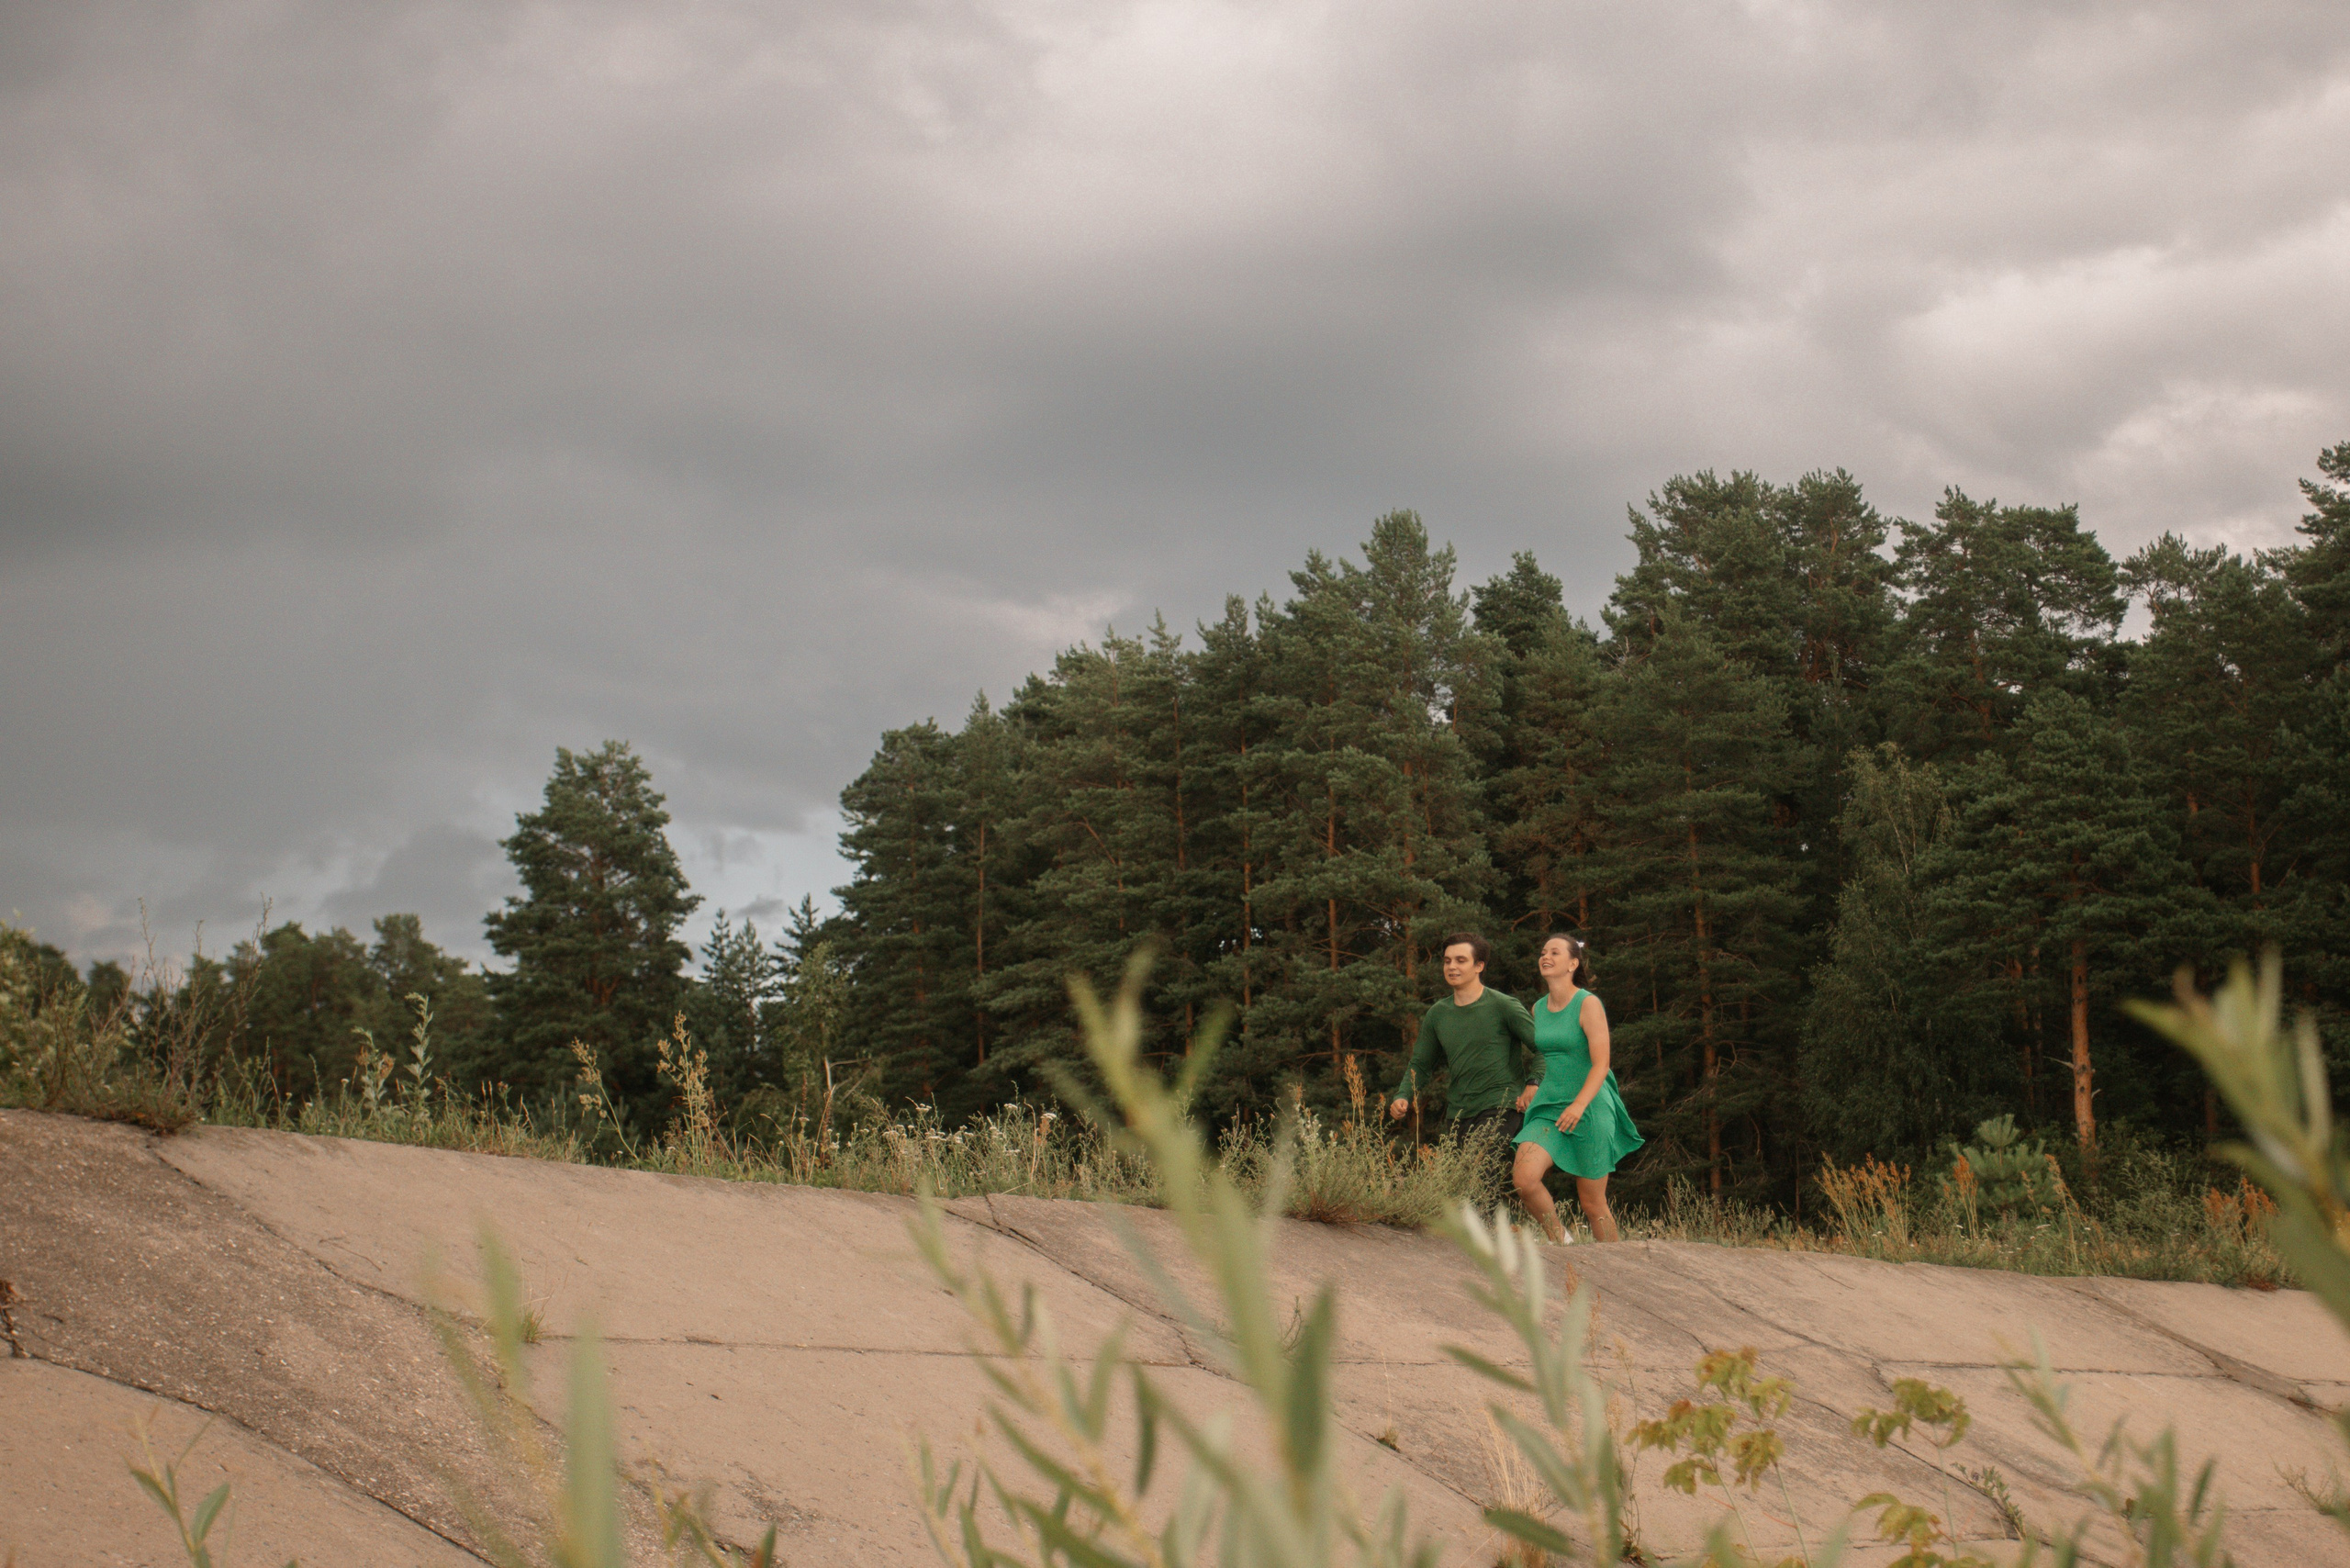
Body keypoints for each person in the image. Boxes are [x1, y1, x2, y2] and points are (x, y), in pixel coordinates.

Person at [1512, 933, 1643, 1243]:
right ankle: (1563, 1241)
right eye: (1543, 952)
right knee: (1524, 1180)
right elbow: (1547, 1056)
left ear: (1573, 963)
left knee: (1593, 1204)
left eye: (1555, 953)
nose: (1546, 956)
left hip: (1590, 1106)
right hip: (1549, 1106)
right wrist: (1533, 1085)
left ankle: (1617, 1271)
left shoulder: (1588, 1003)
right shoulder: (1538, 1009)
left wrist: (1579, 1104)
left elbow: (1601, 1064)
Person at [1387, 932, 1540, 1183]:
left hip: (1500, 1104)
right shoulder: (1438, 1014)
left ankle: (1482, 1222)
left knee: (1478, 1170)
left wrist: (1533, 1083)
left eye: (1460, 960)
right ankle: (1486, 1224)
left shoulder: (1504, 1006)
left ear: (1479, 966)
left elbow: (1543, 1047)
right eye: (1447, 961)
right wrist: (1403, 1095)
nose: (1452, 966)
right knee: (1462, 1184)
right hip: (1459, 1110)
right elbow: (1421, 1063)